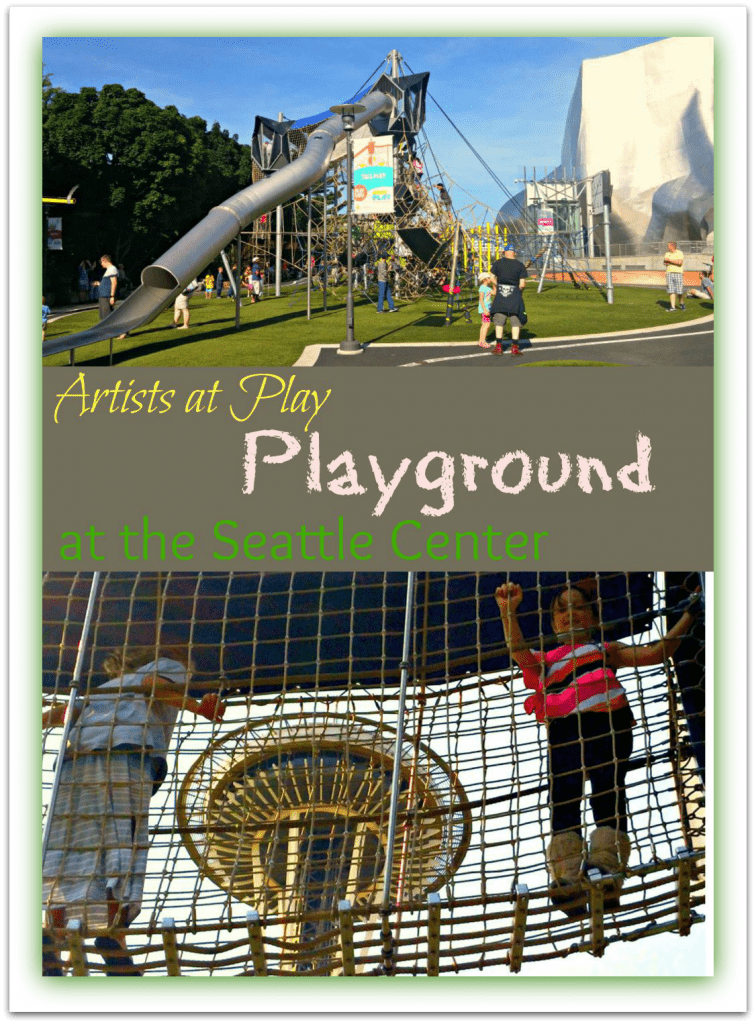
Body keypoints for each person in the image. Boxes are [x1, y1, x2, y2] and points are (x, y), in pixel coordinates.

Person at [494, 579, 701, 917]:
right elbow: (517, 651)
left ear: (591, 619)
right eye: (563, 610)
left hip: (609, 722)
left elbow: (656, 651)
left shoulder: (605, 650)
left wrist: (689, 614)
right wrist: (508, 613)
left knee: (609, 789)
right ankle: (567, 875)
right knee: (564, 794)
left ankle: (606, 864)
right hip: (565, 729)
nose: (571, 614)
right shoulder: (546, 660)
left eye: (579, 608)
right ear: (553, 622)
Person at [42, 646, 225, 976]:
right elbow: (154, 683)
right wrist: (197, 707)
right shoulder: (170, 665)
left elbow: (67, 713)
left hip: (73, 765)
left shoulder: (101, 690)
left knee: (65, 847)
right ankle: (114, 931)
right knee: (118, 846)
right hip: (126, 755)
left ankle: (53, 935)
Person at [489, 243, 528, 357]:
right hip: (515, 295)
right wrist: (518, 292)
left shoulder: (498, 263)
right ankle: (515, 348)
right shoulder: (520, 265)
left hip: (501, 296)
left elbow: (491, 278)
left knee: (499, 321)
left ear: (505, 253)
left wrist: (499, 285)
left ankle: (499, 347)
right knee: (515, 322)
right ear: (514, 253)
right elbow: (522, 284)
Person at [663, 241, 686, 311]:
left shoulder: (680, 253)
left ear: (672, 246)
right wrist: (673, 261)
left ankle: (681, 303)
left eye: (668, 246)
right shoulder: (667, 254)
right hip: (669, 273)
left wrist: (669, 260)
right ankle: (673, 307)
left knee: (679, 291)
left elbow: (679, 263)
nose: (667, 247)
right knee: (671, 290)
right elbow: (665, 262)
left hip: (678, 273)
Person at [96, 255, 119, 320]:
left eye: (101, 262)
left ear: (104, 260)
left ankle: (109, 329)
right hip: (104, 295)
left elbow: (114, 283)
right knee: (104, 315)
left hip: (106, 296)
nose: (101, 264)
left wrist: (112, 296)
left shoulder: (112, 269)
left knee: (106, 316)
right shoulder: (109, 270)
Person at [477, 272, 496, 347]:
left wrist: (494, 283)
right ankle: (482, 341)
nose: (490, 280)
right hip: (485, 309)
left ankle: (481, 341)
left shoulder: (488, 288)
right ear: (484, 279)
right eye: (489, 278)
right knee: (486, 325)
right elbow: (481, 299)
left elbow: (494, 293)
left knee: (484, 324)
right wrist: (485, 309)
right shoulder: (482, 288)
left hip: (488, 308)